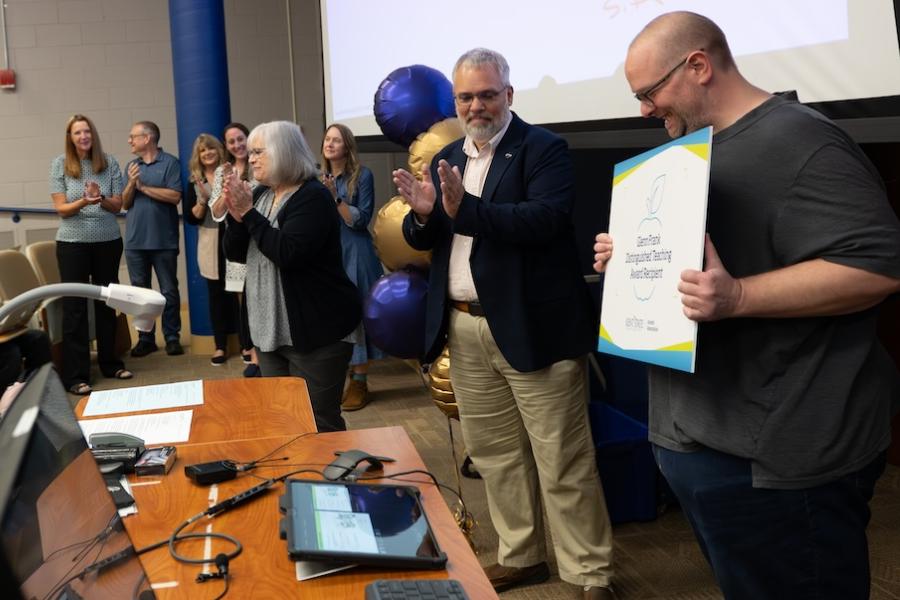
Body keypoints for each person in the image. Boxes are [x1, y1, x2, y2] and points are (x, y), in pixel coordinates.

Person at [592, 12, 900, 600]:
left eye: (648, 93)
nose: (643, 109)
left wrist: (739, 297)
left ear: (699, 66)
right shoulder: (687, 152)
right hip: (701, 439)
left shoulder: (801, 140)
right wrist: (631, 257)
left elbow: (878, 266)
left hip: (781, 459)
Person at [393, 48, 615, 599]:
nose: (477, 105)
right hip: (465, 330)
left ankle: (589, 573)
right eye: (466, 96)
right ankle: (521, 557)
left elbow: (542, 220)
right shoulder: (446, 154)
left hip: (534, 327)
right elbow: (434, 240)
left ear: (509, 95)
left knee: (562, 459)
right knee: (495, 457)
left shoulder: (544, 150)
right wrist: (423, 215)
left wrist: (456, 209)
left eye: (488, 94)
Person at [221, 121, 361, 432]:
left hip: (316, 334)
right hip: (270, 332)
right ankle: (296, 480)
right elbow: (235, 253)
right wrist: (236, 218)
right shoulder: (259, 194)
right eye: (251, 152)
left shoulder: (312, 196)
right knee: (284, 421)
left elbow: (289, 253)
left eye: (259, 151)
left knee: (317, 422)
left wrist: (249, 215)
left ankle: (329, 482)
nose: (251, 157)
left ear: (283, 153)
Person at [49, 114, 132, 395]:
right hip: (72, 244)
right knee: (75, 308)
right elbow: (61, 208)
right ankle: (76, 375)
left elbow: (118, 205)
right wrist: (84, 200)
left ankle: (111, 363)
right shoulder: (60, 164)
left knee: (107, 302)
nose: (83, 136)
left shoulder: (109, 163)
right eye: (77, 133)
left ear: (93, 135)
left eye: (87, 131)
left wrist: (102, 198)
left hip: (107, 241)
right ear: (70, 138)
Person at [321, 123, 385, 411]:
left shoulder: (363, 176)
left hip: (356, 252)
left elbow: (359, 220)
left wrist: (335, 197)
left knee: (357, 317)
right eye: (327, 139)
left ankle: (360, 381)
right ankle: (346, 374)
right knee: (334, 317)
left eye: (336, 140)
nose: (330, 144)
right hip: (329, 253)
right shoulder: (316, 177)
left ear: (347, 146)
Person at [123, 121, 184, 357]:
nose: (130, 140)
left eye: (133, 136)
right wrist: (131, 184)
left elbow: (175, 196)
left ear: (147, 138)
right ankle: (146, 339)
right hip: (135, 242)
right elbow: (125, 202)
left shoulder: (170, 163)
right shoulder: (131, 165)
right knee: (140, 293)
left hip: (163, 240)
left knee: (168, 290)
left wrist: (144, 187)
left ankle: (172, 337)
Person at [210, 122, 261, 377]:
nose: (237, 145)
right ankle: (247, 344)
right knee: (241, 297)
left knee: (259, 292)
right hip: (234, 241)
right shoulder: (222, 171)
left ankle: (257, 349)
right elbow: (216, 211)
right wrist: (227, 187)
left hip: (258, 237)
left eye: (241, 139)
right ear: (226, 146)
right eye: (231, 142)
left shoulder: (259, 162)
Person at [183, 133, 238, 366]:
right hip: (209, 241)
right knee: (215, 296)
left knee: (236, 291)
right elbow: (192, 218)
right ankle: (219, 347)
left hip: (233, 238)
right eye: (202, 151)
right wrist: (203, 199)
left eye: (211, 149)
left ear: (219, 150)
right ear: (198, 156)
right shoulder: (193, 180)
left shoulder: (230, 173)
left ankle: (246, 345)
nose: (207, 154)